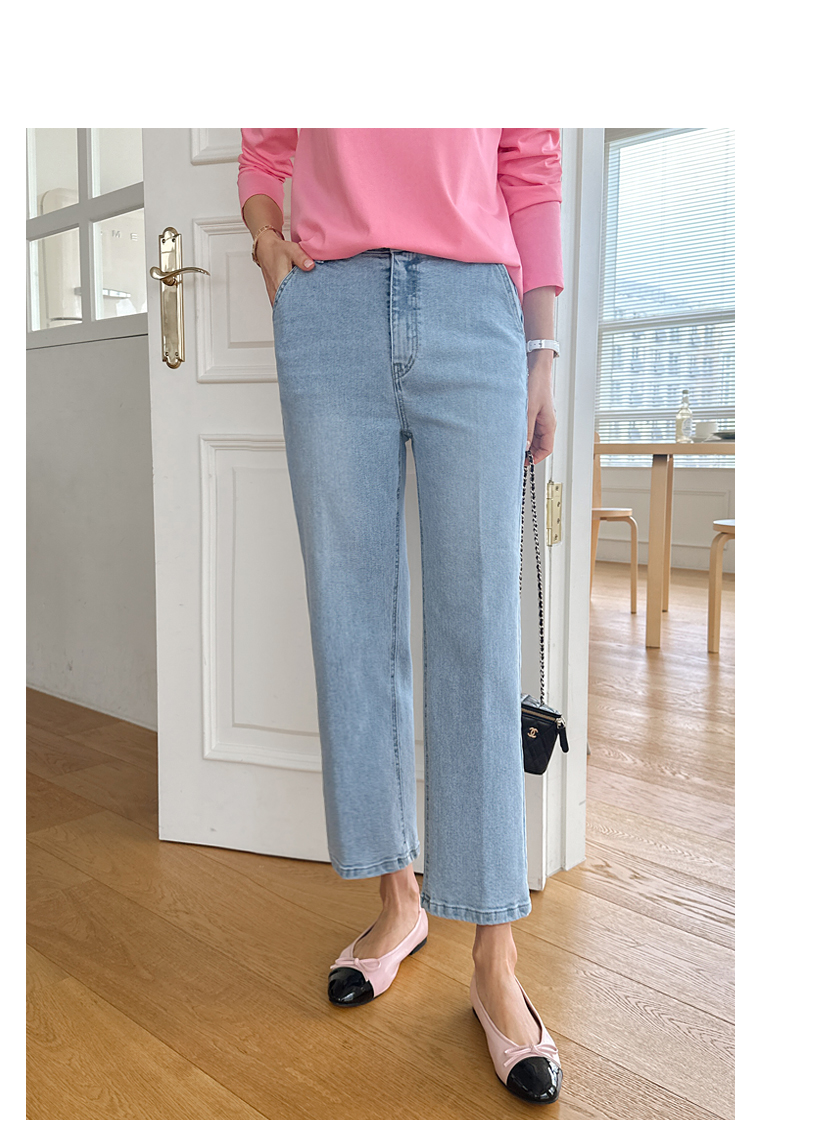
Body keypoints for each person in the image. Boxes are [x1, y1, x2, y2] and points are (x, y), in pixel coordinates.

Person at [238, 128, 564, 1105]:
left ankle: (495, 958)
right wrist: (267, 243)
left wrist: (542, 346)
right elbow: (263, 151)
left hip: (474, 308)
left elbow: (529, 163)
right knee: (351, 621)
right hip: (328, 308)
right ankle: (399, 900)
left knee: (479, 636)